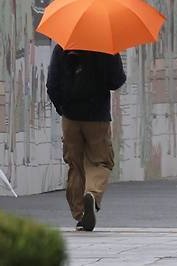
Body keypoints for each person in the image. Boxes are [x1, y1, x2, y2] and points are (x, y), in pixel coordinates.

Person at [46, 44, 126, 231]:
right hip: (97, 116)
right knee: (101, 161)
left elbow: (52, 84)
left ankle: (80, 214)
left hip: (70, 117)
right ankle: (92, 193)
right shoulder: (106, 46)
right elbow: (116, 80)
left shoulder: (62, 47)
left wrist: (63, 109)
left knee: (75, 164)